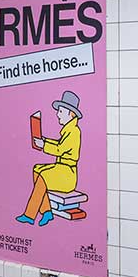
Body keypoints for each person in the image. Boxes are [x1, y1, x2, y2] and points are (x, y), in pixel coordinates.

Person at [17, 90, 82, 227]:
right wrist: (44, 140)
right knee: (37, 169)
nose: (58, 114)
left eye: (61, 111)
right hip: (60, 169)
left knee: (43, 177)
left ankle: (30, 215)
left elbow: (60, 149)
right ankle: (46, 211)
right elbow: (59, 144)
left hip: (67, 175)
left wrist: (44, 145)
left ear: (71, 114)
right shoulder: (68, 130)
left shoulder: (74, 132)